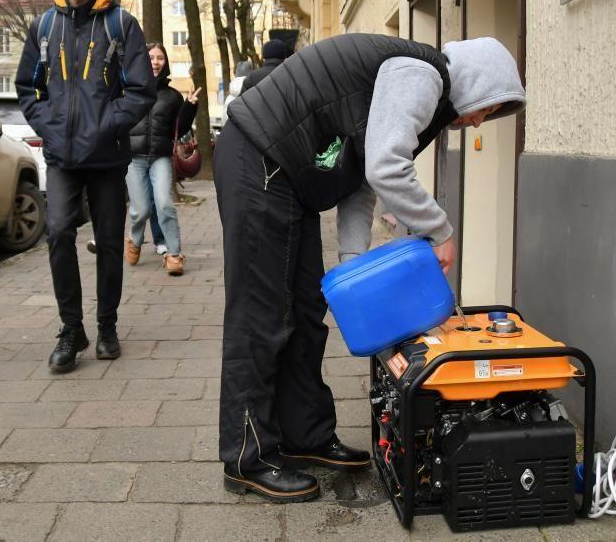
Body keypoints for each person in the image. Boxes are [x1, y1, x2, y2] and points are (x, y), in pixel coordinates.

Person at [214, 34, 526, 502]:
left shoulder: (416, 88)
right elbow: (386, 168)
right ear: (477, 81)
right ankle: (248, 457)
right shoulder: (421, 75)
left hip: (284, 174)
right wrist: (440, 230)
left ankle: (305, 436)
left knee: (303, 313)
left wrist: (351, 266)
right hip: (259, 156)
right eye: (489, 107)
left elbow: (358, 179)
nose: (480, 121)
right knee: (263, 316)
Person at [15, 0, 155, 372]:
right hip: (61, 155)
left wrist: (103, 126)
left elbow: (140, 90)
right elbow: (27, 87)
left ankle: (107, 324)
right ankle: (71, 328)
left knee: (110, 242)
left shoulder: (121, 25)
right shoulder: (44, 27)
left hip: (107, 154)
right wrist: (50, 126)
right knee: (57, 233)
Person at [124, 43, 199, 275]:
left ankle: (174, 254)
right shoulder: (128, 91)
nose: (155, 62)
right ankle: (134, 240)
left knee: (165, 205)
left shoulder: (172, 96)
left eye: (160, 58)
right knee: (141, 209)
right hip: (133, 158)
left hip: (160, 157)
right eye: (151, 58)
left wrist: (189, 107)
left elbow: (181, 127)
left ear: (165, 63)